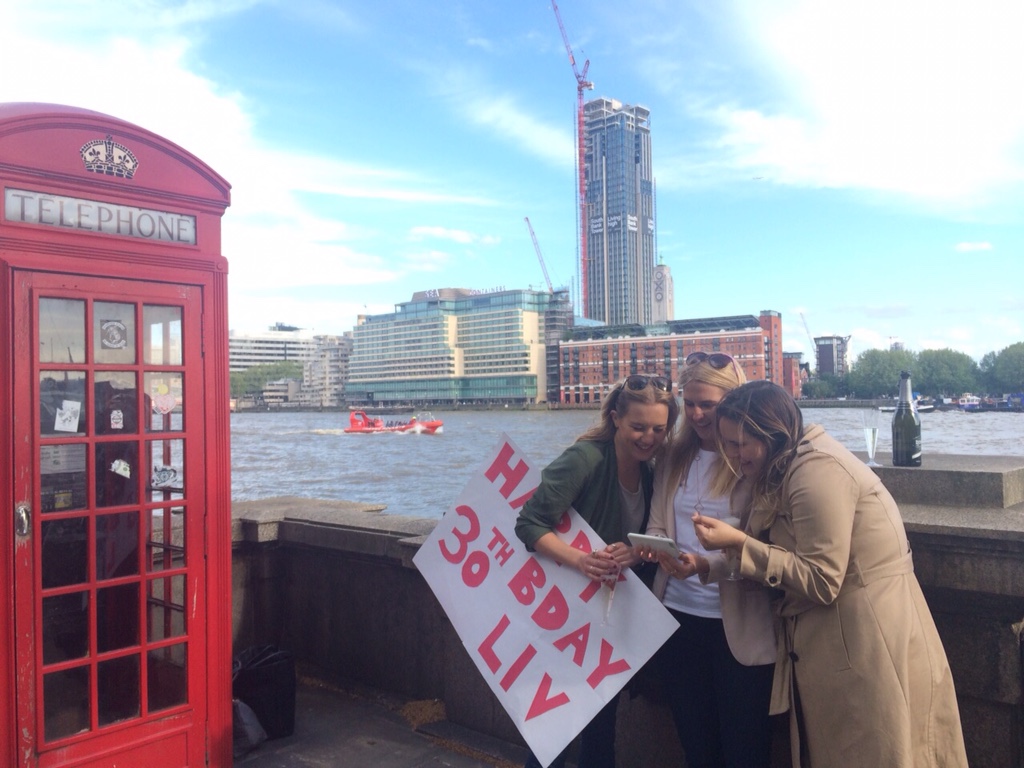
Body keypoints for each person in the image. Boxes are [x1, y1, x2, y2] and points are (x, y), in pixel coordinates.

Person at [694, 380, 969, 767]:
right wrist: (709, 563)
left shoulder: (817, 472)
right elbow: (778, 552)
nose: (733, 456)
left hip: (867, 642)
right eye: (727, 444)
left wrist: (739, 543)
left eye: (740, 444)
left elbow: (822, 579)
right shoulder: (786, 465)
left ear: (773, 434)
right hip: (842, 642)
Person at [514, 374, 679, 768]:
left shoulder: (652, 471)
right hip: (569, 613)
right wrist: (581, 560)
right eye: (638, 427)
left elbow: (642, 542)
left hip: (610, 618)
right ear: (616, 419)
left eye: (659, 429)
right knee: (556, 728)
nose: (649, 438)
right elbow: (529, 524)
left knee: (602, 726)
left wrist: (636, 554)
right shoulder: (585, 459)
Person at [638, 352, 776, 768]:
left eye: (708, 405)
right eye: (690, 403)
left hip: (737, 626)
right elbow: (658, 524)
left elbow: (765, 547)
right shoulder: (672, 456)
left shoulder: (754, 460)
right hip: (677, 618)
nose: (697, 414)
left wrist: (704, 566)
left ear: (733, 403)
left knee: (745, 749)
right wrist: (659, 548)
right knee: (696, 746)